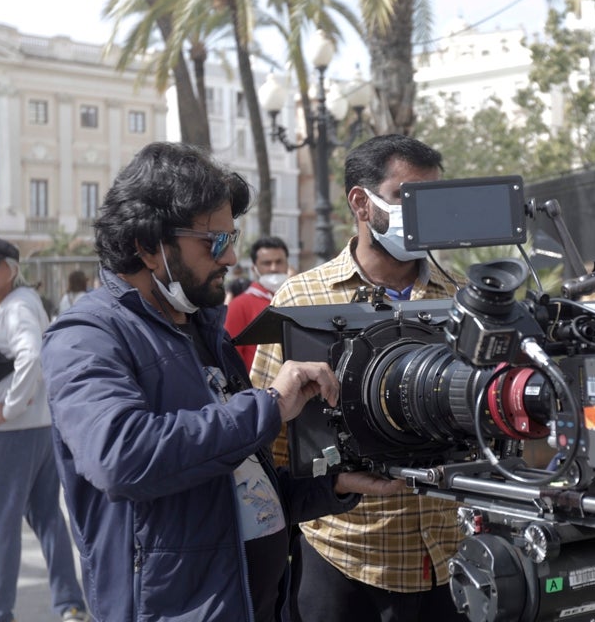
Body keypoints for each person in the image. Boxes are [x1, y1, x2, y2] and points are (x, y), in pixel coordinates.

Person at [41, 142, 399, 622]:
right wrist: (268, 406)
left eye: (232, 237)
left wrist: (328, 487)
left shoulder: (204, 327)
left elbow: (234, 482)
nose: (231, 256)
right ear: (148, 245)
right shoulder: (87, 335)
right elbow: (120, 458)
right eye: (213, 242)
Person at [252, 134, 464, 622]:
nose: (422, 213)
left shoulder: (462, 299)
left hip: (449, 562)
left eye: (431, 199)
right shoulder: (300, 302)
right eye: (406, 197)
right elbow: (267, 444)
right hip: (343, 562)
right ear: (361, 203)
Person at [0, 237, 89, 622]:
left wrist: (11, 406)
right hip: (39, 429)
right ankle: (69, 603)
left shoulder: (16, 308)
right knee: (47, 515)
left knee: (0, 521)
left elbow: (31, 355)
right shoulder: (24, 302)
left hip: (13, 435)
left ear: (12, 268)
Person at [226, 236, 291, 370]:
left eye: (279, 262)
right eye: (267, 263)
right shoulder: (239, 305)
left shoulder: (295, 299)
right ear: (254, 268)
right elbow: (231, 355)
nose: (274, 268)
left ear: (287, 264)